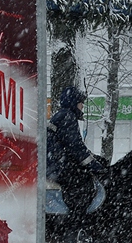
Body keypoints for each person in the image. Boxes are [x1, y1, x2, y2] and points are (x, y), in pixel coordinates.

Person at [46, 86, 108, 229]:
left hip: (54, 162)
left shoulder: (63, 115)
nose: (82, 107)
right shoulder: (68, 117)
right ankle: (75, 225)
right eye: (81, 103)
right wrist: (95, 167)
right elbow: (76, 148)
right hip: (57, 166)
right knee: (82, 185)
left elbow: (75, 146)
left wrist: (94, 158)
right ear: (74, 102)